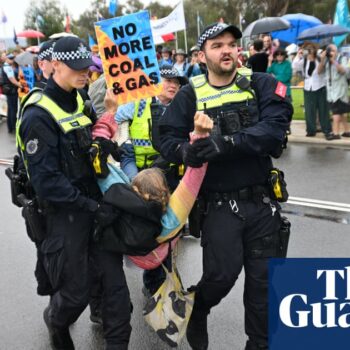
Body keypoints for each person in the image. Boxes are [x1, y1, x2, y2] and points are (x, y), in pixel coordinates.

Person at [158, 22, 293, 350]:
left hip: (262, 205)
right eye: (217, 45)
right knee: (220, 278)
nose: (227, 50)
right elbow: (164, 135)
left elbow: (274, 131)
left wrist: (225, 143)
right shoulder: (191, 92)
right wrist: (186, 151)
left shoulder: (261, 84)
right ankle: (198, 308)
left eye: (231, 43)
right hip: (219, 207)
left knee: (263, 290)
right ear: (202, 55)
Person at [90, 103, 212, 349]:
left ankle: (98, 303)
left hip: (124, 251)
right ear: (167, 194)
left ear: (133, 189)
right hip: (158, 254)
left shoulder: (120, 195)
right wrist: (200, 135)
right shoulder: (172, 219)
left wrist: (110, 112)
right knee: (165, 268)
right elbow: (194, 175)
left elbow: (100, 159)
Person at [16, 36, 108, 350]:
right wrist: (89, 206)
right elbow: (47, 182)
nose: (85, 73)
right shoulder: (38, 114)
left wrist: (104, 144)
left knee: (99, 273)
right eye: (77, 67)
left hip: (88, 201)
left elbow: (92, 137)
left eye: (88, 67)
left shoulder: (80, 98)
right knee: (74, 289)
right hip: (62, 211)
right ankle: (56, 321)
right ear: (55, 64)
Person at [114, 65, 188, 295]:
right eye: (167, 79)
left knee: (170, 231)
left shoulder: (181, 107)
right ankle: (151, 278)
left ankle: (160, 279)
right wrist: (135, 182)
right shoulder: (137, 101)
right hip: (139, 176)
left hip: (168, 175)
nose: (173, 84)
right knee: (147, 229)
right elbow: (117, 128)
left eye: (176, 80)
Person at [292, 43, 335, 140]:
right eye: (307, 49)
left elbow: (319, 71)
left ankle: (327, 131)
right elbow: (294, 66)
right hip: (308, 88)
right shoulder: (303, 61)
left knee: (323, 110)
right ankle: (311, 130)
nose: (309, 50)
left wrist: (323, 59)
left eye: (311, 49)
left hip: (320, 87)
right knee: (309, 110)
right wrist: (298, 54)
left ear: (315, 49)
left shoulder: (319, 58)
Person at [318, 44, 350, 138]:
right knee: (342, 112)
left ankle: (335, 133)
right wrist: (323, 60)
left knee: (336, 112)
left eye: (332, 50)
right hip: (331, 91)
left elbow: (344, 71)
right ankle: (347, 131)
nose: (331, 52)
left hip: (340, 91)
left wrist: (333, 61)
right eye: (329, 51)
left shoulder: (342, 59)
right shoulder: (326, 61)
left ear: (337, 51)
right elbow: (319, 71)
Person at [2, 53, 22, 133]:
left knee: (10, 109)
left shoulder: (4, 66)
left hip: (8, 90)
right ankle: (14, 127)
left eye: (13, 59)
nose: (13, 60)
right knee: (13, 109)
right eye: (11, 59)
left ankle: (10, 127)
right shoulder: (8, 68)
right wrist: (21, 85)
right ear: (7, 59)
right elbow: (12, 80)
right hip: (11, 91)